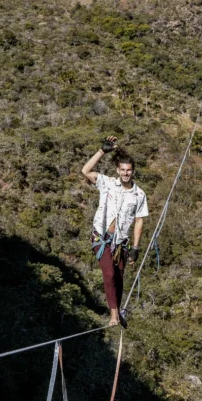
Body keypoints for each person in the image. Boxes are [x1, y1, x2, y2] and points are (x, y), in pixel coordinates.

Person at [81, 136, 149, 327]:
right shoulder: (107, 183)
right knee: (109, 274)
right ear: (118, 170)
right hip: (101, 238)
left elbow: (139, 221)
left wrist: (135, 247)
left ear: (133, 171)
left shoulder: (139, 194)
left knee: (118, 277)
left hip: (121, 243)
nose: (126, 173)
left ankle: (117, 312)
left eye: (129, 170)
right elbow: (85, 171)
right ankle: (113, 316)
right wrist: (102, 151)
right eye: (123, 170)